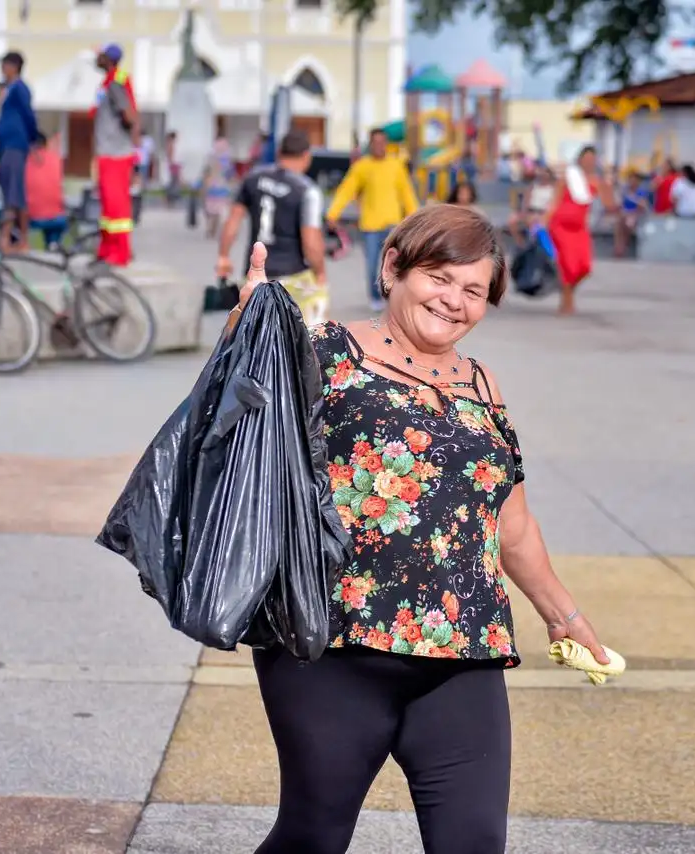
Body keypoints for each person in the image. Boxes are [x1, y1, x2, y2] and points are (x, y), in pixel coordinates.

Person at [223, 205, 610, 853]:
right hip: (334, 647)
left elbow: (510, 524)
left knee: (474, 842)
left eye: (474, 291)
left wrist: (563, 614)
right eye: (439, 277)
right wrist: (246, 332)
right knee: (312, 837)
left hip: (462, 652)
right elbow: (234, 420)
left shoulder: (482, 384)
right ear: (393, 269)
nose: (454, 301)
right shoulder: (324, 352)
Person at [215, 130, 328, 325]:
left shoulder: (253, 179)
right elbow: (311, 242)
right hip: (294, 276)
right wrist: (320, 272)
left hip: (255, 275)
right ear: (306, 156)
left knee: (256, 340)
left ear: (278, 153)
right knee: (308, 340)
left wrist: (223, 256)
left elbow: (233, 221)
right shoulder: (307, 190)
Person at [326, 127, 420, 311]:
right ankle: (375, 296)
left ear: (386, 144)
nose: (379, 146)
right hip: (370, 226)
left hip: (394, 225)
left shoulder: (396, 165)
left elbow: (406, 193)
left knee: (398, 265)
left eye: (382, 142)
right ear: (370, 145)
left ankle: (395, 295)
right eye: (375, 143)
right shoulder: (362, 167)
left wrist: (415, 217)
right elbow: (346, 190)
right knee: (372, 265)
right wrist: (332, 213)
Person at [93, 43, 141, 266]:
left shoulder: (114, 83)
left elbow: (129, 114)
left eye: (100, 55)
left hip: (116, 153)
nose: (97, 58)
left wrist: (127, 127)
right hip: (108, 152)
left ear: (108, 59)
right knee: (108, 205)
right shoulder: (108, 82)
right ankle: (107, 248)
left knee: (116, 204)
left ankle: (120, 253)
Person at [547, 145, 609, 316]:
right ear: (580, 159)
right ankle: (567, 302)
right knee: (567, 265)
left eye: (592, 159)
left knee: (584, 267)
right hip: (560, 225)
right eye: (586, 158)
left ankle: (568, 294)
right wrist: (543, 222)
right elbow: (555, 200)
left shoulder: (596, 181)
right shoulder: (568, 177)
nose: (589, 162)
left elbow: (609, 204)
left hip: (580, 228)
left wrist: (606, 183)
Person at [0, 51, 40, 253]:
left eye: (5, 66)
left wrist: (32, 138)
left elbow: (29, 115)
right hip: (5, 146)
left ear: (13, 67)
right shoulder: (7, 90)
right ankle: (12, 237)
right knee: (9, 191)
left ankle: (13, 238)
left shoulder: (20, 89)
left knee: (14, 193)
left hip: (15, 145)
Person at [25, 132, 68, 249]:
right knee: (56, 216)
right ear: (46, 144)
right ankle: (53, 244)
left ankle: (16, 243)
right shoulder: (56, 159)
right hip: (56, 217)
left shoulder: (25, 160)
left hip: (31, 216)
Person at [203, 136, 236, 239]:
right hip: (221, 189)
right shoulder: (226, 160)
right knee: (219, 211)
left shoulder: (212, 157)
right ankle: (216, 229)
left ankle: (211, 229)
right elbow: (231, 175)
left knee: (213, 211)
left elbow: (206, 172)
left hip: (214, 188)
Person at [614, 170, 649, 257]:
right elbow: (621, 205)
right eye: (630, 180)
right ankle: (619, 247)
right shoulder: (625, 191)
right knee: (619, 223)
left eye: (634, 180)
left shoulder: (641, 192)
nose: (632, 182)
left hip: (636, 214)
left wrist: (634, 209)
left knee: (628, 223)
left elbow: (642, 207)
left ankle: (622, 247)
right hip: (625, 214)